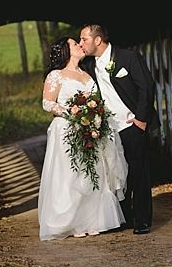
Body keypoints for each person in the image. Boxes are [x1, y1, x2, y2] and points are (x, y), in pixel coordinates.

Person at [39, 37, 128, 240]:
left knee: (93, 173)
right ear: (65, 51)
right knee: (70, 175)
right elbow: (47, 103)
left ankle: (93, 220)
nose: (79, 45)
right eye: (74, 44)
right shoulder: (56, 75)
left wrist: (94, 117)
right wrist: (73, 113)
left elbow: (96, 102)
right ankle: (72, 222)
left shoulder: (87, 76)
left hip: (89, 129)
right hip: (66, 131)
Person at [79, 23, 159, 234]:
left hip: (132, 125)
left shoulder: (127, 57)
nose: (81, 44)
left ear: (97, 40)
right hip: (107, 130)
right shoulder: (89, 65)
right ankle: (126, 217)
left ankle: (143, 220)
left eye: (84, 39)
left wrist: (141, 119)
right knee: (116, 174)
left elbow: (147, 87)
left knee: (138, 172)